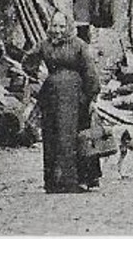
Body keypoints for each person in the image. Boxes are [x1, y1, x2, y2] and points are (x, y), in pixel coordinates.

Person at [26, 11, 101, 194]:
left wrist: (91, 98)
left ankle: (76, 181)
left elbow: (90, 73)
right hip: (51, 98)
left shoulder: (79, 45)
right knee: (52, 138)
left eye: (61, 26)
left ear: (68, 27)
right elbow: (28, 60)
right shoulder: (45, 45)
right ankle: (53, 182)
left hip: (76, 98)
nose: (57, 31)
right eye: (54, 26)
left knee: (74, 137)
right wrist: (36, 75)